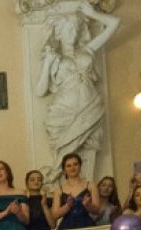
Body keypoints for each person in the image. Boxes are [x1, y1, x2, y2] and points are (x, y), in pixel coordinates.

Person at [34, 1, 120, 175]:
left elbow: (115, 23)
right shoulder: (53, 57)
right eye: (69, 29)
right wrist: (48, 63)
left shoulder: (87, 50)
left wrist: (93, 14)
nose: (73, 33)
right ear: (59, 32)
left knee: (90, 155)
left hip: (90, 106)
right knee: (63, 159)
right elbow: (40, 91)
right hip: (64, 112)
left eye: (76, 29)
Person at [46, 153, 99, 230]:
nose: (72, 168)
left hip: (86, 226)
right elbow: (54, 215)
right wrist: (67, 206)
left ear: (80, 166)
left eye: (75, 164)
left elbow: (97, 210)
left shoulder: (91, 185)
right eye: (68, 166)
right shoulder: (59, 190)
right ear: (64, 170)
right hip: (66, 228)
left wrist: (88, 205)